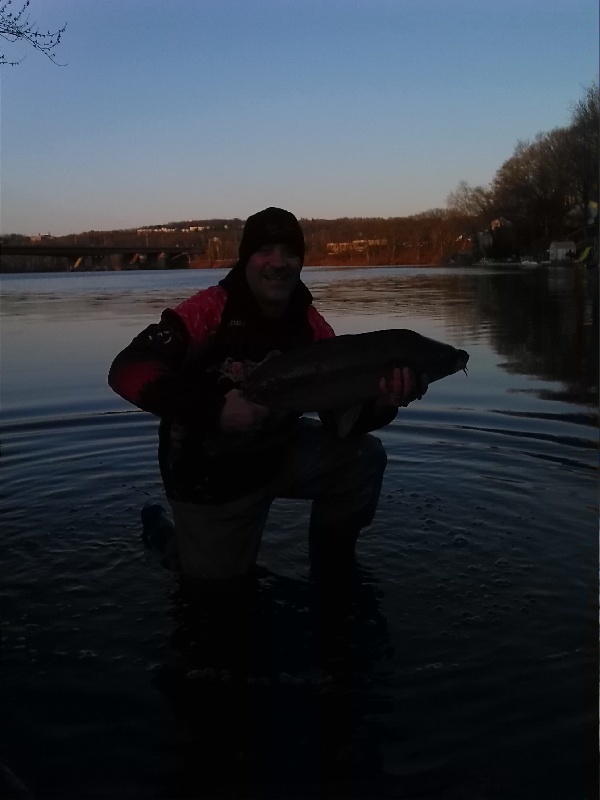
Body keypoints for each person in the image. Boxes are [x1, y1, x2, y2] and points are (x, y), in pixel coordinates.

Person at [108, 207, 426, 592]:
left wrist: (383, 402)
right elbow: (127, 369)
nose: (279, 263)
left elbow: (342, 422)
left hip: (276, 455)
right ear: (246, 258)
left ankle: (333, 569)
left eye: (290, 253)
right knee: (214, 592)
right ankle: (164, 536)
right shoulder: (208, 311)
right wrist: (216, 411)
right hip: (207, 476)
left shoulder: (312, 326)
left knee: (365, 458)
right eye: (266, 251)